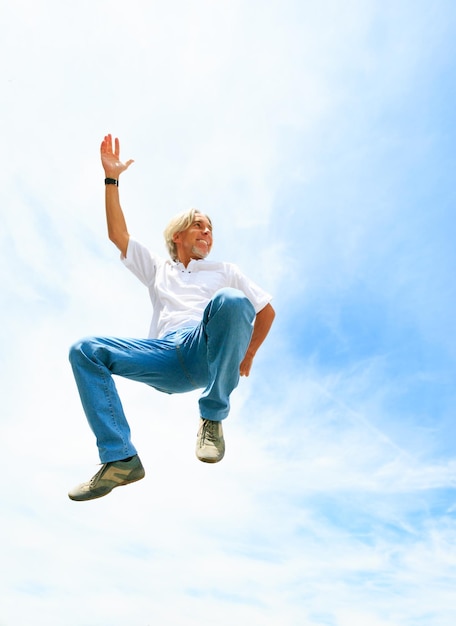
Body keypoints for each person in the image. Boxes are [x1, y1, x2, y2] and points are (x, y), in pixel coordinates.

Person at [68, 134, 275, 502]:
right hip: (162, 354)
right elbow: (119, 235)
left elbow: (265, 311)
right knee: (85, 350)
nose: (207, 233)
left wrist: (247, 354)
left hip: (203, 347)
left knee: (232, 301)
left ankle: (212, 418)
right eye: (199, 225)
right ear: (178, 235)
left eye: (210, 229)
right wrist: (112, 179)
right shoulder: (159, 269)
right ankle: (120, 458)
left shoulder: (224, 270)